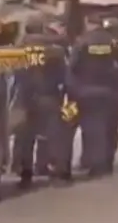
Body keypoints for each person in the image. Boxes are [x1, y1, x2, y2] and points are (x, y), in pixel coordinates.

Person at [13, 19, 74, 187]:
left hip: (24, 98)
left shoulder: (17, 51)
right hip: (50, 96)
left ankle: (25, 174)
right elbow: (65, 75)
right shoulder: (55, 50)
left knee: (25, 137)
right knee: (55, 136)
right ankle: (58, 173)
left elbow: (13, 75)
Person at [66, 17, 118, 177]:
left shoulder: (82, 42)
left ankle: (95, 163)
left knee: (92, 128)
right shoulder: (113, 42)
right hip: (112, 92)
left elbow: (73, 67)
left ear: (88, 23)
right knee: (110, 128)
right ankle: (107, 161)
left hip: (87, 91)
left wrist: (72, 90)